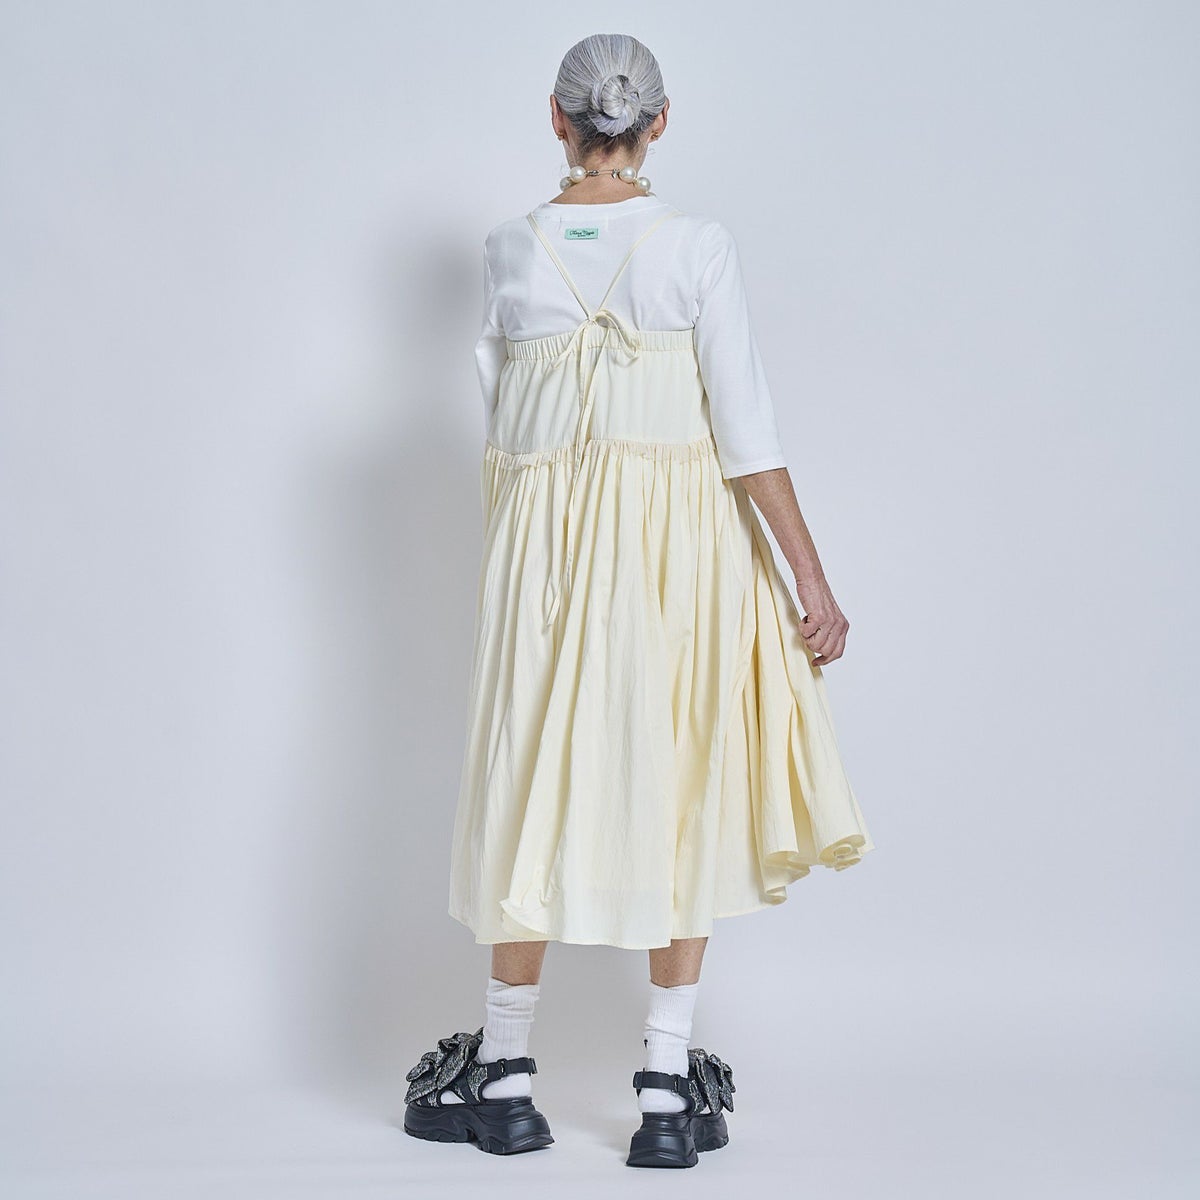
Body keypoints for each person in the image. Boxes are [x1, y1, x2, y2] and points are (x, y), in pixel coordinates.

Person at [403, 33, 875, 1168]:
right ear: (659, 122)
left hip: (541, 564)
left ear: (555, 118)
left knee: (526, 776)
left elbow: (503, 428)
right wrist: (810, 579)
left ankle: (505, 1075)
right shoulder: (697, 246)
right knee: (682, 776)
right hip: (680, 559)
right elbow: (746, 433)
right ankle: (666, 1088)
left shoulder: (507, 250)